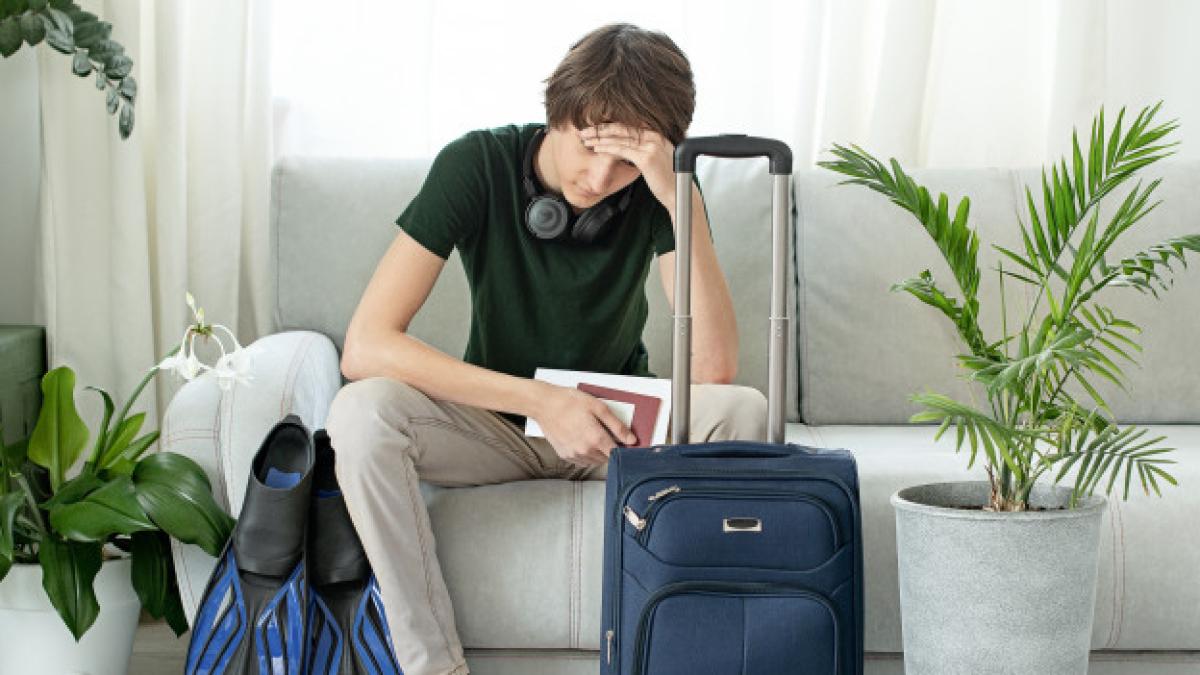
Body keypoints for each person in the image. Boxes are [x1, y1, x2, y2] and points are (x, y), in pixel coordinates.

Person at [323, 23, 767, 675]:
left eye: (626, 162)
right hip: (494, 426)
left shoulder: (659, 190)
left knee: (745, 409)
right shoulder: (476, 164)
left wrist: (677, 196)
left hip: (617, 430)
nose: (601, 177)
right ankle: (433, 667)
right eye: (590, 146)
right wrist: (542, 400)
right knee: (361, 413)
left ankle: (683, 655)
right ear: (558, 111)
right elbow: (366, 345)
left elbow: (713, 369)